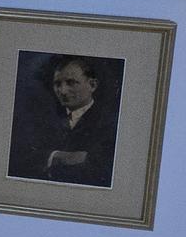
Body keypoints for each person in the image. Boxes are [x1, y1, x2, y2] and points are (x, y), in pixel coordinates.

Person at [7, 56, 118, 186]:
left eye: (71, 83)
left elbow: (105, 168)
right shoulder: (45, 120)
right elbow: (21, 158)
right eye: (57, 84)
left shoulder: (110, 123)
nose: (63, 91)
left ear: (92, 85)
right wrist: (59, 157)